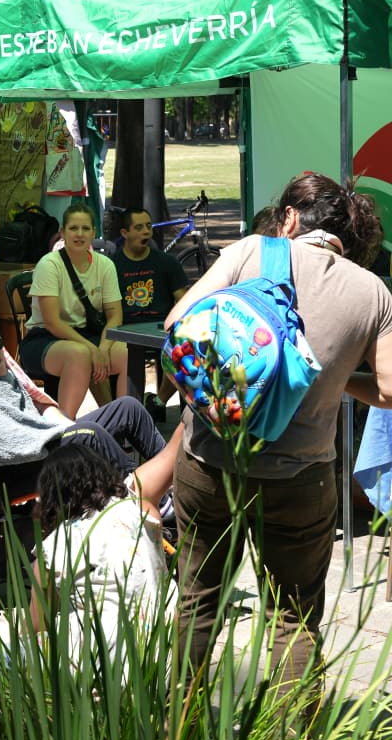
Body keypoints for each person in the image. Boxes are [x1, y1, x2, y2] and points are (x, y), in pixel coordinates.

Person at [164, 171, 392, 689]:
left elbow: (178, 325)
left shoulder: (250, 250)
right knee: (293, 616)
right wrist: (330, 377)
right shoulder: (373, 291)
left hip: (209, 461)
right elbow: (389, 389)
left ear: (290, 217)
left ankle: (182, 727)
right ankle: (293, 737)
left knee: (198, 602)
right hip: (301, 477)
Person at [28, 444, 174, 664]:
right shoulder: (140, 507)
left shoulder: (52, 548)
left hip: (103, 666)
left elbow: (36, 628)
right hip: (165, 656)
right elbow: (174, 449)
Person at [0, 325, 166, 476]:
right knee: (90, 434)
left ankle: (171, 475)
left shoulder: (10, 375)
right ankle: (144, 491)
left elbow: (44, 408)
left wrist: (68, 427)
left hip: (47, 436)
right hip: (28, 455)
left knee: (129, 407)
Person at [19, 201, 127, 418]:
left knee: (125, 353)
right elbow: (52, 322)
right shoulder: (49, 264)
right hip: (45, 338)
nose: (79, 234)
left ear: (94, 233)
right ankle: (64, 426)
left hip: (88, 335)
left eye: (85, 228)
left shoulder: (105, 264)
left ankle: (122, 421)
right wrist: (93, 350)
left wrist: (103, 348)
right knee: (80, 354)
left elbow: (115, 314)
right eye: (73, 228)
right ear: (63, 232)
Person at [113, 207, 188, 417]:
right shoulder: (113, 265)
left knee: (184, 347)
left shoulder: (167, 262)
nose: (146, 231)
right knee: (132, 349)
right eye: (139, 227)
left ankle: (159, 403)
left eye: (148, 226)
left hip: (162, 327)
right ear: (124, 233)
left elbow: (184, 300)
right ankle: (132, 414)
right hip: (126, 328)